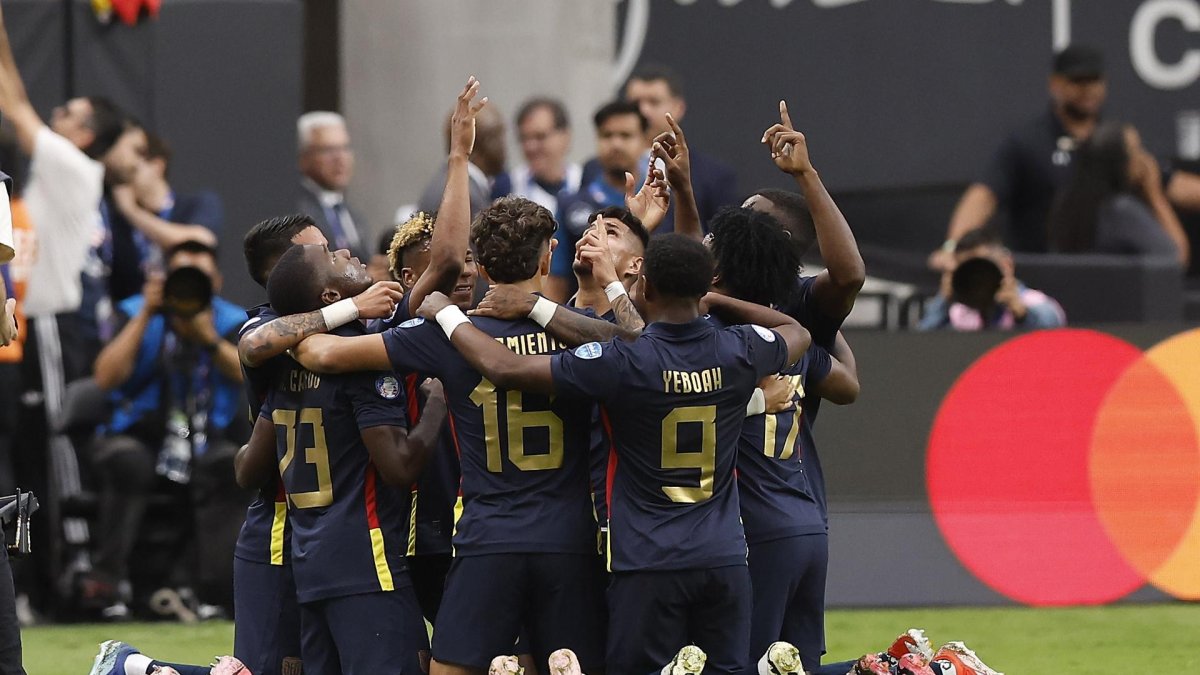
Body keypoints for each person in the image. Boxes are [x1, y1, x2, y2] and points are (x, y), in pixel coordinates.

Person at [416, 233, 810, 675]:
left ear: (646, 288)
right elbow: (798, 332)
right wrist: (716, 301)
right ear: (701, 291)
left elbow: (507, 368)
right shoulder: (741, 349)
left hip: (647, 561)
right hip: (724, 558)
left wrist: (448, 316)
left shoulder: (623, 361)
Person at [293, 197, 607, 675]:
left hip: (488, 536)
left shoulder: (447, 334)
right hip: (570, 537)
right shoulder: (581, 334)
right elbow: (642, 344)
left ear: (478, 265)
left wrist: (342, 312)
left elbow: (320, 354)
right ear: (548, 256)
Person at [241, 242, 444, 673]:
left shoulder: (285, 361)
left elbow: (248, 468)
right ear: (331, 297)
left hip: (310, 565)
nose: (347, 251)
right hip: (368, 564)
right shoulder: (360, 357)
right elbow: (398, 467)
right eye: (334, 258)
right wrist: (436, 407)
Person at [701, 207, 860, 674]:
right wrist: (819, 331)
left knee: (744, 665)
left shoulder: (714, 342)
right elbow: (849, 387)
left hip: (757, 528)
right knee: (796, 668)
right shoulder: (789, 342)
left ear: (719, 269)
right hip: (808, 523)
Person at [930, 45, 1200, 269]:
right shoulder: (1028, 143)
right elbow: (983, 196)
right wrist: (953, 247)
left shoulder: (1115, 145)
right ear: (1055, 83)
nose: (1087, 89)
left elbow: (1174, 185)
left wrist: (1152, 190)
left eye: (1093, 80)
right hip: (1045, 276)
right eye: (1077, 81)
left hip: (1120, 285)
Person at [88, 241, 247, 619]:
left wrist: (207, 338)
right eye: (181, 278)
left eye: (200, 278)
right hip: (140, 435)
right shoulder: (134, 313)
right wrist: (147, 312)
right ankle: (106, 587)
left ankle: (214, 593)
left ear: (218, 282)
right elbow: (104, 378)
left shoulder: (230, 320)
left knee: (228, 463)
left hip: (209, 436)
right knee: (128, 461)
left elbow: (246, 373)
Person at [618, 64, 738, 233]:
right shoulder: (597, 171)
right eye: (635, 103)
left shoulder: (714, 176)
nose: (643, 110)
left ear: (678, 108)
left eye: (654, 102)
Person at [549, 101, 650, 301]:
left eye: (625, 136)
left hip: (650, 322)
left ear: (645, 141)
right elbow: (556, 280)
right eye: (607, 135)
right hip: (584, 323)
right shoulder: (571, 204)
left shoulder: (662, 201)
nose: (616, 144)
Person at [106, 129, 223, 302]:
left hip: (188, 305)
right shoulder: (115, 220)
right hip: (136, 314)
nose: (127, 176)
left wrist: (132, 212)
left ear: (157, 165)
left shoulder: (196, 204)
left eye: (134, 169)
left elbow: (200, 240)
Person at [1047, 121, 1188, 263]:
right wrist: (1155, 194)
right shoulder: (1121, 210)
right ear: (1120, 162)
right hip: (1118, 285)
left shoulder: (1066, 202)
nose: (1145, 160)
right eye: (1137, 151)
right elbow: (1176, 260)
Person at [918, 228, 1066, 331]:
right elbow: (918, 348)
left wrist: (1021, 314)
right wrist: (944, 299)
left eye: (980, 268)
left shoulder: (1036, 303)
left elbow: (1052, 336)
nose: (976, 278)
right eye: (967, 270)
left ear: (1006, 265)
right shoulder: (958, 314)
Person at [297, 111, 370, 258]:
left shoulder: (352, 215)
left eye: (345, 148)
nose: (340, 159)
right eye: (328, 150)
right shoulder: (296, 214)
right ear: (303, 158)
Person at [416, 98, 505, 219]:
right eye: (500, 137)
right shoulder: (465, 196)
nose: (504, 147)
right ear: (485, 142)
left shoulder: (448, 183)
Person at [492, 97, 582, 216]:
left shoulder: (584, 182)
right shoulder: (507, 187)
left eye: (540, 137)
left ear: (565, 136)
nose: (530, 147)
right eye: (524, 138)